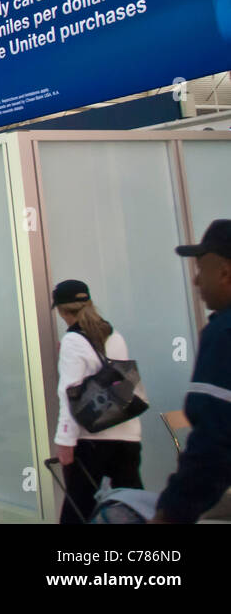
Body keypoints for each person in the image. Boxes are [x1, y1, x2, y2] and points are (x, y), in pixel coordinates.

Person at [155, 220, 231, 523]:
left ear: (225, 272)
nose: (197, 281)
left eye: (201, 269)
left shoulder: (225, 333)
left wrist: (170, 512)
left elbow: (214, 442)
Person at [51, 279, 144, 524]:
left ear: (61, 311)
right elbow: (122, 383)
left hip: (92, 440)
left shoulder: (73, 341)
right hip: (127, 435)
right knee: (131, 509)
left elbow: (68, 394)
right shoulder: (114, 334)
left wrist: (65, 441)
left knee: (77, 513)